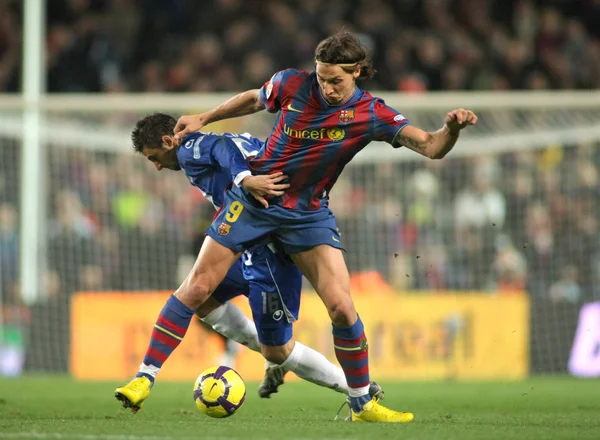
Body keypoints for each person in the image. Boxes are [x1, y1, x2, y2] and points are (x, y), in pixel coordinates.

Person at [124, 31, 477, 423]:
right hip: (256, 201)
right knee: (197, 287)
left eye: (335, 80)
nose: (326, 87)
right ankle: (145, 377)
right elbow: (254, 98)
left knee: (342, 308)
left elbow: (430, 146)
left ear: (357, 71)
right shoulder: (293, 82)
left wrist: (453, 131)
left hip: (307, 215)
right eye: (322, 77)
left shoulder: (372, 113)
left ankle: (363, 403)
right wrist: (205, 117)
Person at [115, 113, 383, 414]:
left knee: (278, 350)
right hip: (245, 246)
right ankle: (145, 376)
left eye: (155, 157)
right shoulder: (216, 146)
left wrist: (245, 179)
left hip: (270, 255)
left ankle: (356, 389)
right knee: (198, 294)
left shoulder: (189, 149)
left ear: (168, 141)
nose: (157, 166)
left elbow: (221, 149)